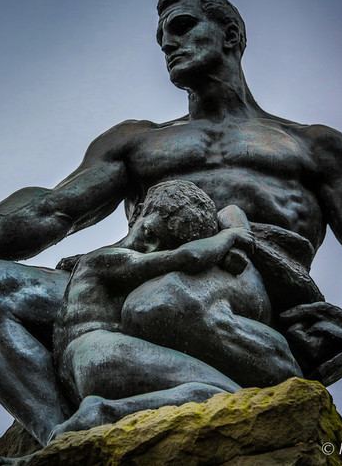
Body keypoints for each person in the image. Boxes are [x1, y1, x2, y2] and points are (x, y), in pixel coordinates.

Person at [0, 0, 342, 446]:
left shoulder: (312, 145)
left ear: (230, 34)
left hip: (246, 284)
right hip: (133, 276)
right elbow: (52, 208)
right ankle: (65, 442)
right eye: (161, 40)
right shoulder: (138, 140)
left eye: (181, 27)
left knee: (163, 302)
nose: (169, 45)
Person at [50, 180, 301, 439]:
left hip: (79, 363)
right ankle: (103, 413)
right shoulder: (105, 259)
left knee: (217, 392)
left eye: (164, 243)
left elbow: (229, 212)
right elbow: (189, 258)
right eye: (149, 232)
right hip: (100, 353)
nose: (150, 245)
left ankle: (104, 415)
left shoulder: (102, 262)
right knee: (224, 394)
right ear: (138, 215)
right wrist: (230, 236)